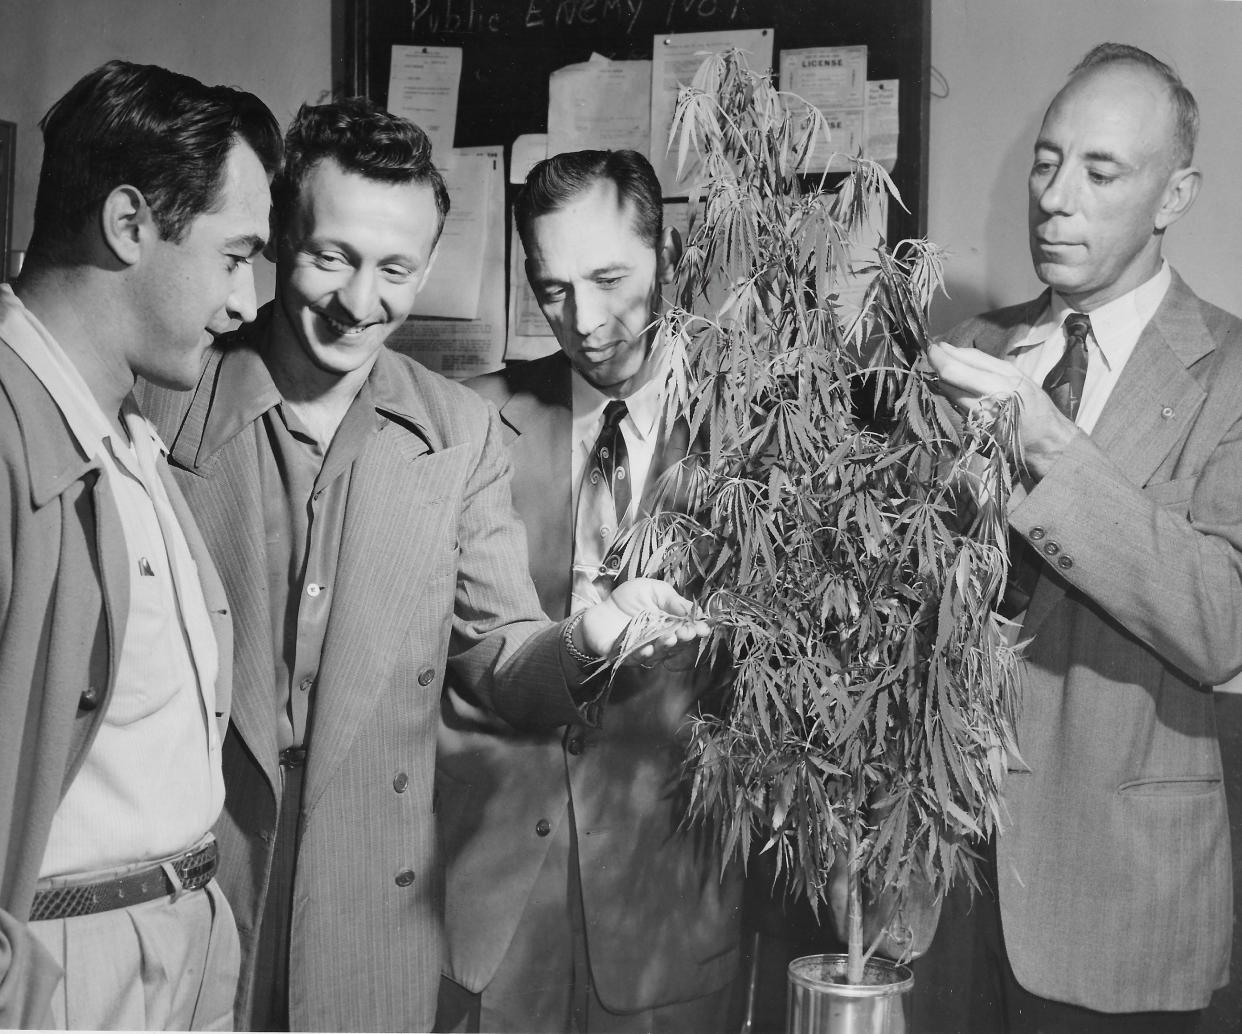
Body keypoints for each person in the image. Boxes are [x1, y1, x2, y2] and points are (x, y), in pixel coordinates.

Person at [138, 102, 708, 1033]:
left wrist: (587, 640)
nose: (361, 303)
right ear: (280, 237)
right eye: (332, 258)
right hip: (189, 899)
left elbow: (499, 654)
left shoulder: (455, 433)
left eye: (396, 269)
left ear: (431, 267)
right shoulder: (162, 403)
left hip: (376, 919)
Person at [922, 43, 1242, 1032]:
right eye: (1048, 160)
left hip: (1121, 905)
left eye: (1102, 172)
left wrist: (1054, 450)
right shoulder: (973, 347)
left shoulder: (1230, 372)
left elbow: (1221, 616)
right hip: (938, 887)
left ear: (1173, 193)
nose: (1056, 196)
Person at [435, 149, 742, 1034]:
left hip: (669, 906)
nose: (587, 321)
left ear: (668, 255)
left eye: (610, 278)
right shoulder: (468, 420)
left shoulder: (756, 432)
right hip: (493, 907)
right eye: (554, 288)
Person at [0, 60, 280, 1029]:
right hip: (69, 963)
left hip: (180, 940)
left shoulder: (121, 430)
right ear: (129, 225)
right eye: (234, 255)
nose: (250, 301)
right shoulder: (10, 430)